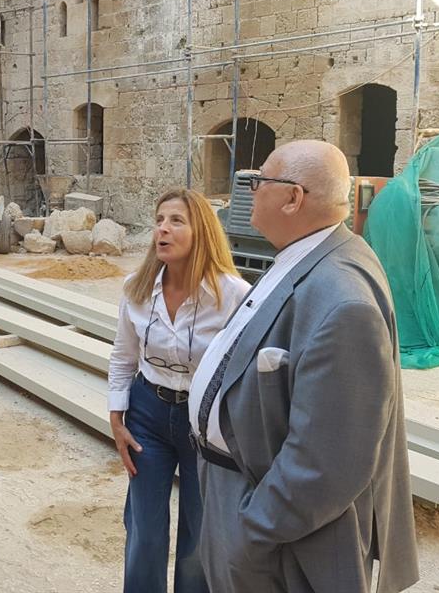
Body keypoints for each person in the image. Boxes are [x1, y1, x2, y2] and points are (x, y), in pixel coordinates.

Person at [188, 140, 419, 593]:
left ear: (293, 198)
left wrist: (249, 533)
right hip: (240, 493)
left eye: (259, 181)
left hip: (272, 531)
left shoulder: (344, 301)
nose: (250, 190)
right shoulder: (309, 254)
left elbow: (327, 464)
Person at [109, 188, 250, 593]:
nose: (162, 229)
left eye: (176, 221)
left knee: (200, 534)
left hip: (205, 422)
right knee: (144, 529)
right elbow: (123, 357)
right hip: (147, 414)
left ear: (201, 231)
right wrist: (116, 419)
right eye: (159, 220)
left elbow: (245, 371)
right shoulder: (136, 288)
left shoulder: (234, 295)